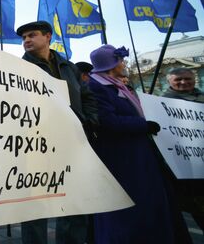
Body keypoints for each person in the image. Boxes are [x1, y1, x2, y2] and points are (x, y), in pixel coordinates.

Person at [87, 45, 191, 244]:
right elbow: (106, 121)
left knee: (149, 203)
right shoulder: (96, 86)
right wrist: (143, 124)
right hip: (122, 159)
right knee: (130, 208)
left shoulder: (117, 84)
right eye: (121, 60)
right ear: (112, 63)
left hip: (138, 155)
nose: (124, 63)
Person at [15, 21, 98, 244]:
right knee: (35, 204)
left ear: (48, 37)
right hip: (37, 144)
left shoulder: (69, 67)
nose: (27, 41)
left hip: (74, 142)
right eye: (24, 38)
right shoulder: (17, 68)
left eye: (32, 35)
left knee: (75, 200)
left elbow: (87, 96)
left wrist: (90, 121)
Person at [162, 67, 204, 232]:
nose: (183, 82)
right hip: (189, 172)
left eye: (187, 78)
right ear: (169, 82)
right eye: (178, 80)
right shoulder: (160, 104)